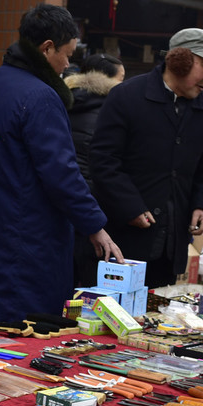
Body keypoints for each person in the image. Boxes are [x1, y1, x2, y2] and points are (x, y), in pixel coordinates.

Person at [0, 4, 123, 326]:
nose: (67, 64)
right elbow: (61, 173)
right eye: (67, 54)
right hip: (30, 240)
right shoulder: (40, 96)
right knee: (27, 335)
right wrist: (95, 226)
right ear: (47, 48)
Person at [89, 28, 203, 289]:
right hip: (122, 241)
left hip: (171, 243)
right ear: (179, 60)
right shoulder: (127, 96)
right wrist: (130, 206)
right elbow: (103, 160)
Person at [66, 53, 126, 287]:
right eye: (121, 78)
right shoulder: (111, 110)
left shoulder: (65, 99)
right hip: (95, 202)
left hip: (65, 198)